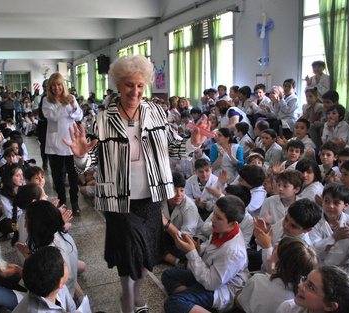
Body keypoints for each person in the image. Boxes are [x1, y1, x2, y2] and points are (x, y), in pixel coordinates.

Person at [63, 54, 210, 313]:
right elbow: (88, 162)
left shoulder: (155, 111)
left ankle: (136, 292)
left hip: (152, 196)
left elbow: (173, 147)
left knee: (146, 253)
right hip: (119, 198)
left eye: (140, 85)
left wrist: (193, 144)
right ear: (118, 85)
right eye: (129, 84)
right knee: (128, 251)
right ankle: (128, 301)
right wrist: (81, 155)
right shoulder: (102, 118)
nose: (135, 91)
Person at [162, 196, 248, 313]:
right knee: (168, 275)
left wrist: (191, 252)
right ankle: (195, 302)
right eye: (214, 213)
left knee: (172, 303)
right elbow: (208, 247)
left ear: (233, 224)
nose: (212, 219)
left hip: (220, 289)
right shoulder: (222, 230)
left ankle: (192, 301)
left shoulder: (234, 251)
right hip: (208, 276)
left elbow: (211, 284)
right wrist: (198, 249)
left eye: (218, 217)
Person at [236, 236, 320, 313]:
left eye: (279, 249)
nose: (275, 245)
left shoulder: (258, 280)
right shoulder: (300, 298)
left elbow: (240, 303)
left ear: (282, 263)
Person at [43, 73, 83, 215]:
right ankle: (62, 203)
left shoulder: (70, 98)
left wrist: (72, 104)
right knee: (58, 175)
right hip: (55, 143)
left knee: (73, 175)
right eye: (53, 86)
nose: (56, 88)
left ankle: (75, 202)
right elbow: (52, 116)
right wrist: (63, 104)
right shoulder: (47, 101)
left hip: (70, 142)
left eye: (59, 85)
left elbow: (79, 116)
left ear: (63, 85)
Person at [12, 246, 90, 313]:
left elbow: (71, 306)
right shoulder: (36, 310)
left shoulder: (52, 285)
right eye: (64, 264)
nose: (66, 265)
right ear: (60, 282)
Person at [276, 266, 349, 313]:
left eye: (311, 287)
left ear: (330, 306)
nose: (300, 285)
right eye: (305, 280)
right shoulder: (289, 308)